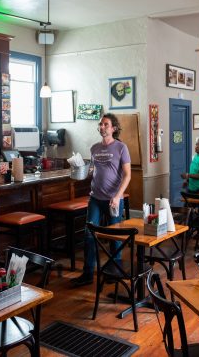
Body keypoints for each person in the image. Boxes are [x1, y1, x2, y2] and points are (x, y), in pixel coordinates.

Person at [71, 113, 131, 287]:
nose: (102, 126)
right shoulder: (94, 148)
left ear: (113, 128)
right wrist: (78, 169)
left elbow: (127, 175)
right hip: (95, 198)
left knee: (114, 236)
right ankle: (88, 273)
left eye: (106, 124)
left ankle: (115, 271)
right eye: (101, 124)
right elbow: (93, 171)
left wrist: (118, 196)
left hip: (113, 199)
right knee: (89, 234)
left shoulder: (121, 148)